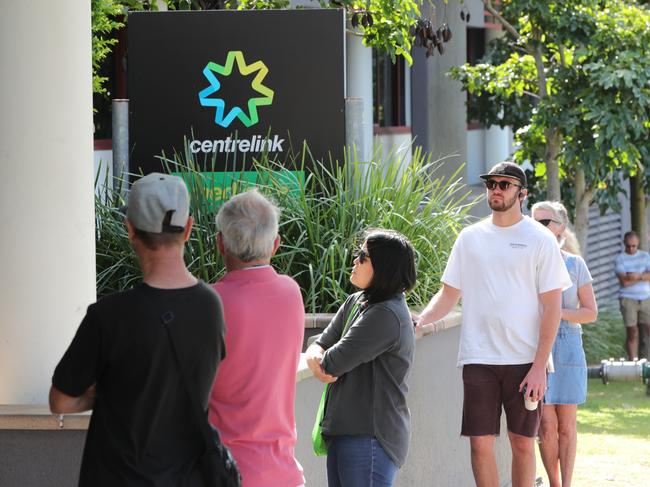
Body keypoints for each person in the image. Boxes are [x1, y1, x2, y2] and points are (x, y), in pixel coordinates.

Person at [50, 172, 226, 486]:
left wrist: (110, 391)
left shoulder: (108, 315)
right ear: (188, 229)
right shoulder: (210, 307)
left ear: (130, 230)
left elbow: (61, 402)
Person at [416, 161, 572, 487]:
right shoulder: (470, 238)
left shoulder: (540, 239)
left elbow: (553, 308)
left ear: (522, 193)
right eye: (491, 184)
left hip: (525, 362)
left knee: (522, 444)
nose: (496, 190)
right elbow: (448, 294)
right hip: (479, 359)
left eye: (504, 184)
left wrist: (540, 367)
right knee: (479, 444)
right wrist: (420, 320)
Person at [305, 229, 417, 487]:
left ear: (384, 267)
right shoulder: (357, 301)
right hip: (347, 433)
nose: (354, 260)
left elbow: (332, 362)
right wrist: (314, 356)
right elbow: (318, 344)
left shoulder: (386, 315)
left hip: (370, 439)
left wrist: (319, 359)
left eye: (363, 256)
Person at [208, 189, 305, 487]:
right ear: (275, 244)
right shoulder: (291, 294)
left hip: (224, 472)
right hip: (284, 473)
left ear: (220, 244)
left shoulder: (209, 303)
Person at [531, 201, 598, 487]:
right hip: (536, 346)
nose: (539, 227)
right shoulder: (526, 263)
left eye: (545, 222)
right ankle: (554, 483)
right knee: (545, 424)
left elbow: (590, 312)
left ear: (560, 227)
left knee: (567, 426)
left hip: (569, 344)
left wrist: (556, 313)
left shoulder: (574, 264)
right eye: (534, 221)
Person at [614, 230, 650, 360]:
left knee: (647, 330)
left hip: (646, 298)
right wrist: (644, 276)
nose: (631, 248)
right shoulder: (620, 259)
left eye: (634, 246)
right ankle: (633, 362)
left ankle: (646, 359)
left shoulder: (645, 256)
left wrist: (635, 276)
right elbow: (624, 282)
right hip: (628, 299)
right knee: (632, 332)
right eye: (628, 246)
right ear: (624, 243)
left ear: (638, 244)